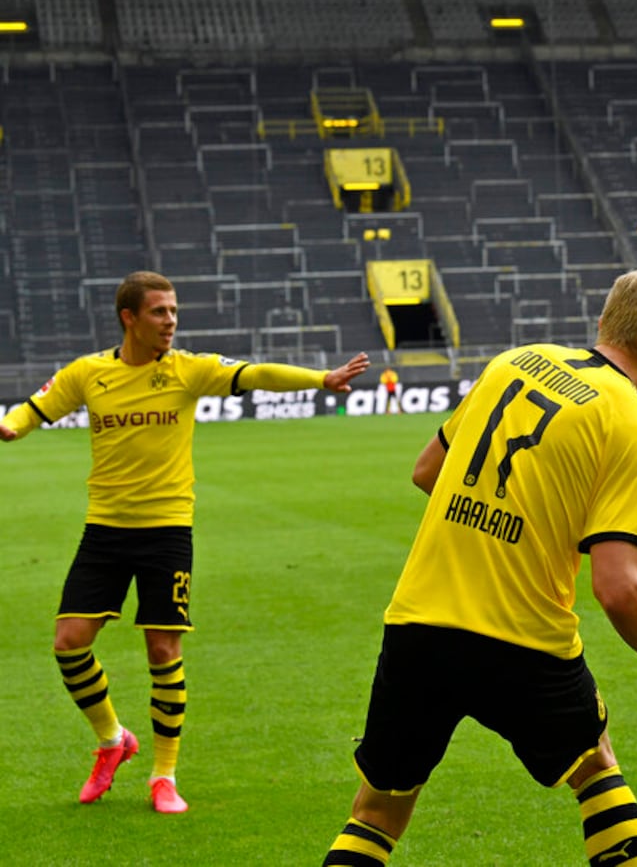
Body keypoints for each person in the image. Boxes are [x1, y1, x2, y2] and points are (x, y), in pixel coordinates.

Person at [322, 267, 637, 867]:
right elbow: (620, 588)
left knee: (376, 813)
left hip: (418, 624)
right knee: (596, 770)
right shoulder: (631, 425)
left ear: (602, 321)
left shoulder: (514, 362)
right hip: (522, 640)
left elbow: (427, 473)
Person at [0, 270, 369, 815]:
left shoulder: (187, 370)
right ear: (129, 317)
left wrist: (321, 379)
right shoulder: (88, 374)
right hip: (104, 529)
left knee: (162, 649)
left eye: (173, 311)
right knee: (69, 641)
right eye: (159, 312)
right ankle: (112, 740)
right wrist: (9, 428)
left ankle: (164, 775)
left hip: (167, 530)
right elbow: (35, 409)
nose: (171, 321)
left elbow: (257, 373)